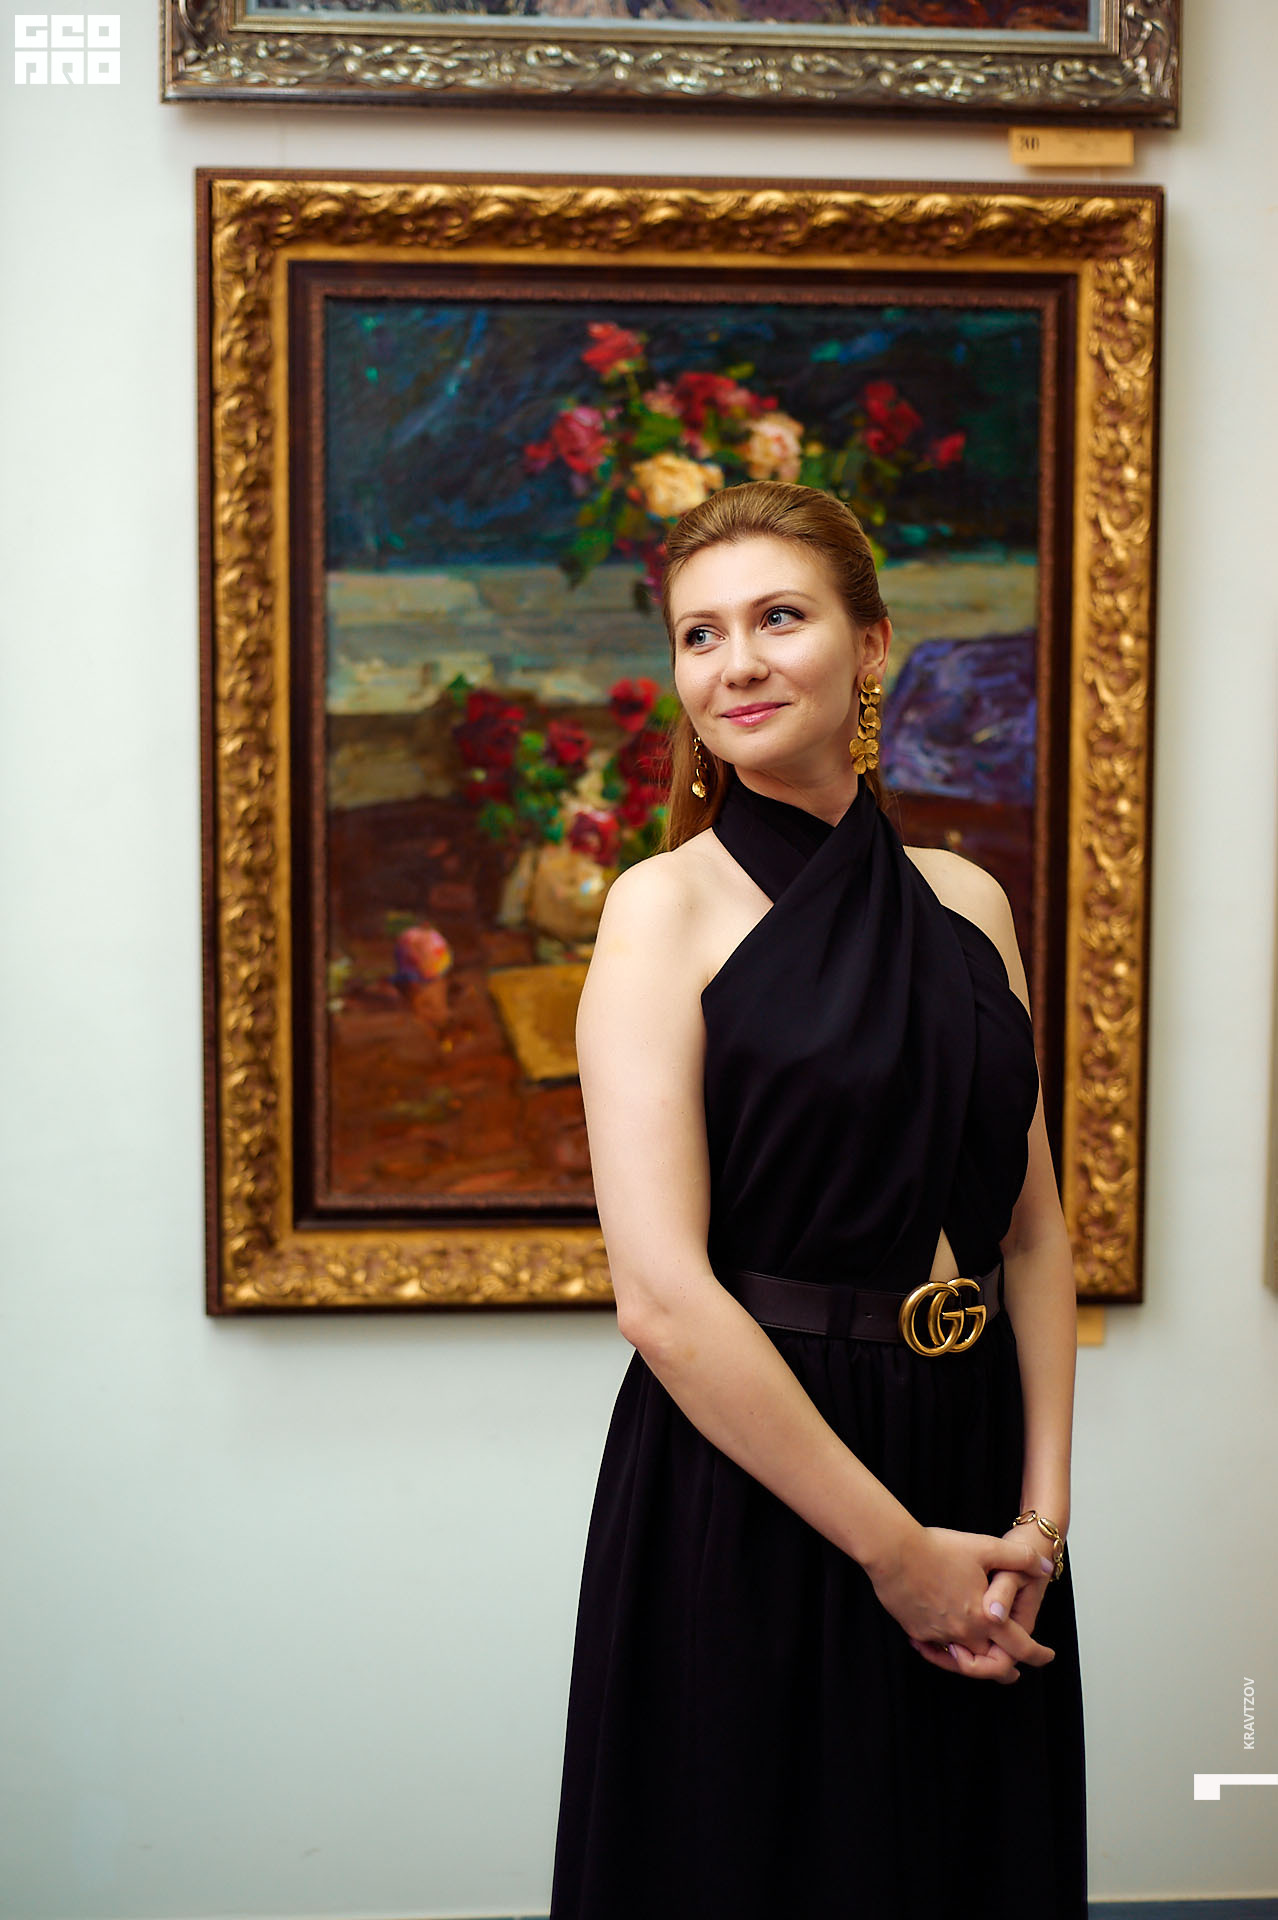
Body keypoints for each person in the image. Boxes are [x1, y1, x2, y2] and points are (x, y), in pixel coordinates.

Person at [548, 480, 1086, 1917]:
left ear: (872, 644)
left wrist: (1040, 1525)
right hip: (761, 1473)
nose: (735, 663)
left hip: (972, 1464)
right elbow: (663, 1301)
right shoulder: (660, 908)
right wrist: (899, 1558)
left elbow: (1031, 1233)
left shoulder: (968, 904)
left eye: (779, 618)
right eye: (699, 633)